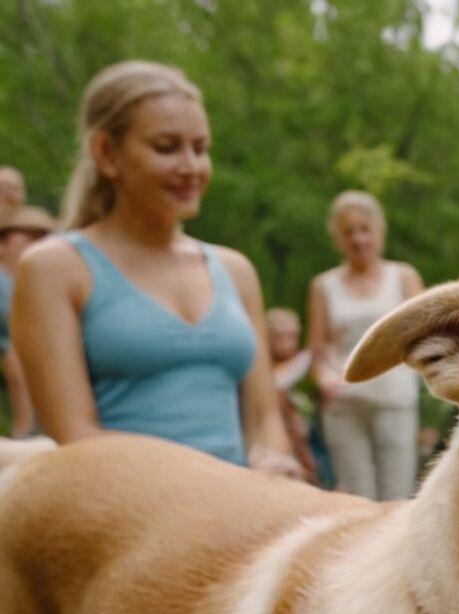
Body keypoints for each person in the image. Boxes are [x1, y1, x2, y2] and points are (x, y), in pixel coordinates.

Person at [10, 59, 299, 477]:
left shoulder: (235, 270)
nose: (190, 167)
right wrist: (214, 484)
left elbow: (265, 418)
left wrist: (269, 458)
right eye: (166, 147)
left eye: (200, 148)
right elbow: (74, 437)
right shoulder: (54, 268)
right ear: (106, 153)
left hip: (237, 502)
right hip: (122, 503)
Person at [307, 190, 423, 501]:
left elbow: (424, 338)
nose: (358, 239)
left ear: (379, 231)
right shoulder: (323, 286)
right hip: (345, 403)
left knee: (397, 496)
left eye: (365, 229)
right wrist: (324, 380)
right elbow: (317, 351)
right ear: (337, 239)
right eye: (349, 232)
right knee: (356, 497)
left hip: (395, 398)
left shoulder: (403, 276)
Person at [0, 205, 57, 437]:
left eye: (41, 236)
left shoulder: (42, 284)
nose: (34, 241)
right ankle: (24, 430)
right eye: (27, 234)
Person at [266, 305, 321, 484]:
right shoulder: (261, 373)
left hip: (312, 442)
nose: (286, 342)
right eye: (279, 336)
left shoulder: (305, 365)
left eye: (291, 335)